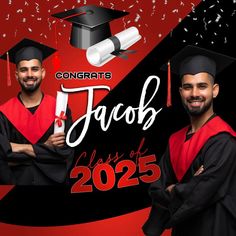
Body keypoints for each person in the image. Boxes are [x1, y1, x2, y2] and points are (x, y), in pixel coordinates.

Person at [142, 45, 236, 236]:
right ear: (180, 92)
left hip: (215, 228)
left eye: (202, 86)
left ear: (215, 90)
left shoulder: (224, 140)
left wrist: (173, 188)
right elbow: (156, 187)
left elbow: (201, 192)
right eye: (188, 87)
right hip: (182, 230)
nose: (194, 94)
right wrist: (185, 185)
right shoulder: (175, 140)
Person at [0, 38, 75, 185]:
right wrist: (45, 149)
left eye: (34, 69)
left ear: (43, 72)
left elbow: (66, 153)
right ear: (16, 75)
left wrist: (18, 149)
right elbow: (1, 156)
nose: (29, 74)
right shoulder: (3, 113)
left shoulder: (60, 108)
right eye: (23, 69)